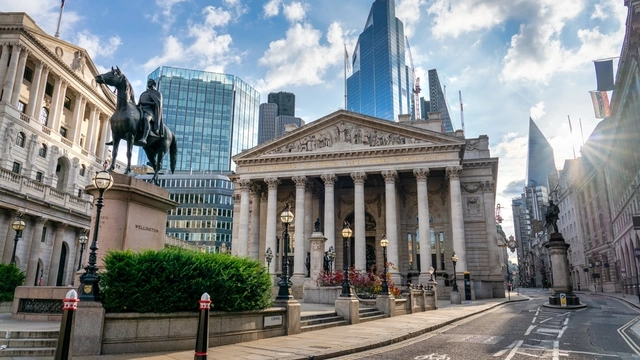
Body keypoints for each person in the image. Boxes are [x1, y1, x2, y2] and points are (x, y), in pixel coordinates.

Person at [137, 78, 163, 145]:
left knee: (146, 118)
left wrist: (146, 103)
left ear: (153, 84)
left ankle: (144, 138)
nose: (148, 83)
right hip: (141, 109)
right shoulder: (144, 93)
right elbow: (139, 103)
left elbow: (157, 104)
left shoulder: (157, 93)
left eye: (150, 82)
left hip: (150, 110)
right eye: (148, 82)